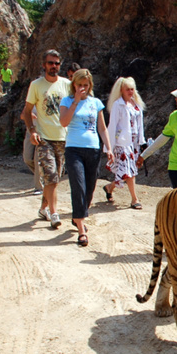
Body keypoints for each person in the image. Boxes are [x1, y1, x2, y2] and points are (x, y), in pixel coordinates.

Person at [59, 68, 112, 246]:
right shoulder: (66, 101)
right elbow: (64, 122)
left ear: (90, 86)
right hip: (74, 149)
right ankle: (81, 229)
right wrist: (75, 101)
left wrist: (108, 148)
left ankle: (78, 216)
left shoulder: (95, 103)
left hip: (93, 150)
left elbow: (102, 128)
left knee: (89, 189)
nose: (82, 88)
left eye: (85, 85)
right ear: (73, 85)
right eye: (79, 85)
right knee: (78, 186)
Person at [23, 49, 71, 229]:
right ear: (44, 65)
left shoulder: (66, 84)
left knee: (55, 176)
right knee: (51, 176)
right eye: (50, 63)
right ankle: (54, 212)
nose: (54, 66)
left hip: (62, 137)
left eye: (57, 63)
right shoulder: (36, 85)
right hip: (44, 138)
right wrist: (32, 130)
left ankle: (44, 207)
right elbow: (27, 111)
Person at [102, 76, 145, 208]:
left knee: (127, 172)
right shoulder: (117, 105)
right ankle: (134, 199)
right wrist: (110, 147)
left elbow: (140, 124)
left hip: (134, 143)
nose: (130, 92)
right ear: (121, 90)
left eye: (132, 89)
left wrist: (141, 141)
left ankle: (109, 187)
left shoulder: (136, 104)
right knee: (129, 172)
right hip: (122, 143)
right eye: (128, 89)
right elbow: (112, 125)